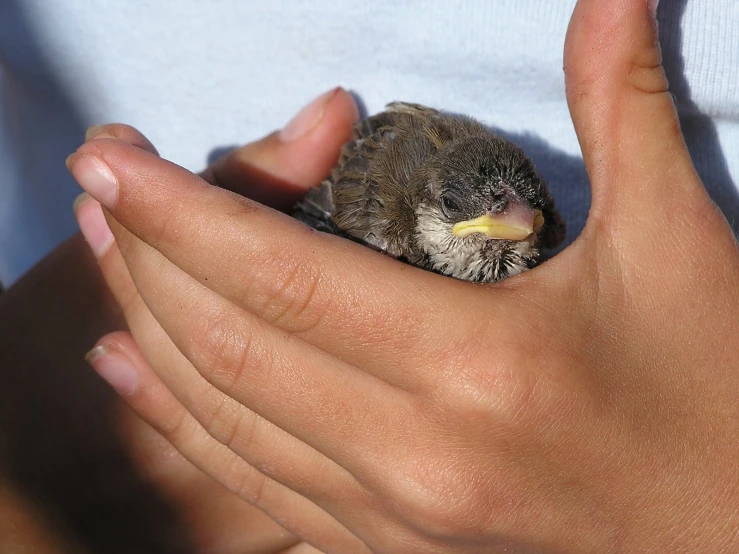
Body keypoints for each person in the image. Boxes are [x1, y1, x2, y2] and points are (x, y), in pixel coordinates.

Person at [2, 0, 738, 552]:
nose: (519, 223)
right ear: (420, 215)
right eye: (482, 216)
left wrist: (704, 511)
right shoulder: (381, 215)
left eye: (525, 211)